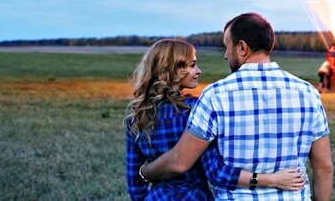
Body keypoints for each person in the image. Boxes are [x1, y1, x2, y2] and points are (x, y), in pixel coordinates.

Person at [139, 13, 334, 200]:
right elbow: (323, 166)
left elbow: (180, 161)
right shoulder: (308, 93)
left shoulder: (215, 95)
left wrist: (145, 171)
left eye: (227, 46)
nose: (225, 55)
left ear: (242, 48)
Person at [124, 39, 305, 200]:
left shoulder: (136, 115)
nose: (198, 70)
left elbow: (134, 178)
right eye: (192, 65)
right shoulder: (194, 109)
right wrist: (272, 179)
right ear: (173, 69)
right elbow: (216, 172)